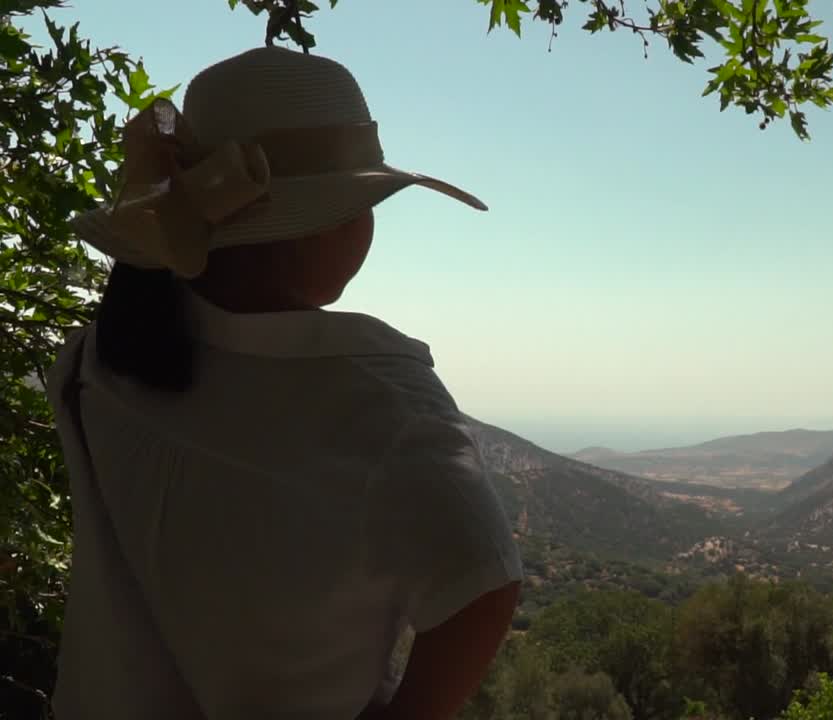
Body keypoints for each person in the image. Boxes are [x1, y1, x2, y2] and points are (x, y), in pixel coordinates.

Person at [45, 45, 523, 720]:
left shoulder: (100, 355)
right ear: (324, 224)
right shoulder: (379, 403)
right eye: (366, 202)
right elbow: (486, 585)